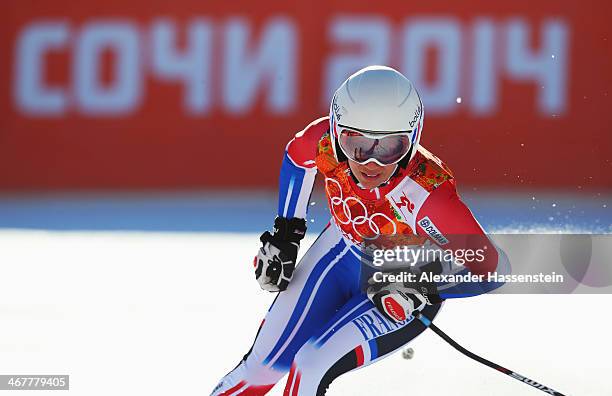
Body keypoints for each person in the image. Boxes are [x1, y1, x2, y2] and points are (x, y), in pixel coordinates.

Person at [210, 65, 504, 396]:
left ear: (413, 140)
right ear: (337, 132)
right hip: (340, 255)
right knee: (261, 368)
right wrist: (286, 235)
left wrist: (421, 283)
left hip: (398, 286)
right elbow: (296, 157)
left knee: (309, 366)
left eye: (389, 147)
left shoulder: (428, 194)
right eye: (356, 145)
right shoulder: (324, 143)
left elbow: (493, 269)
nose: (371, 164)